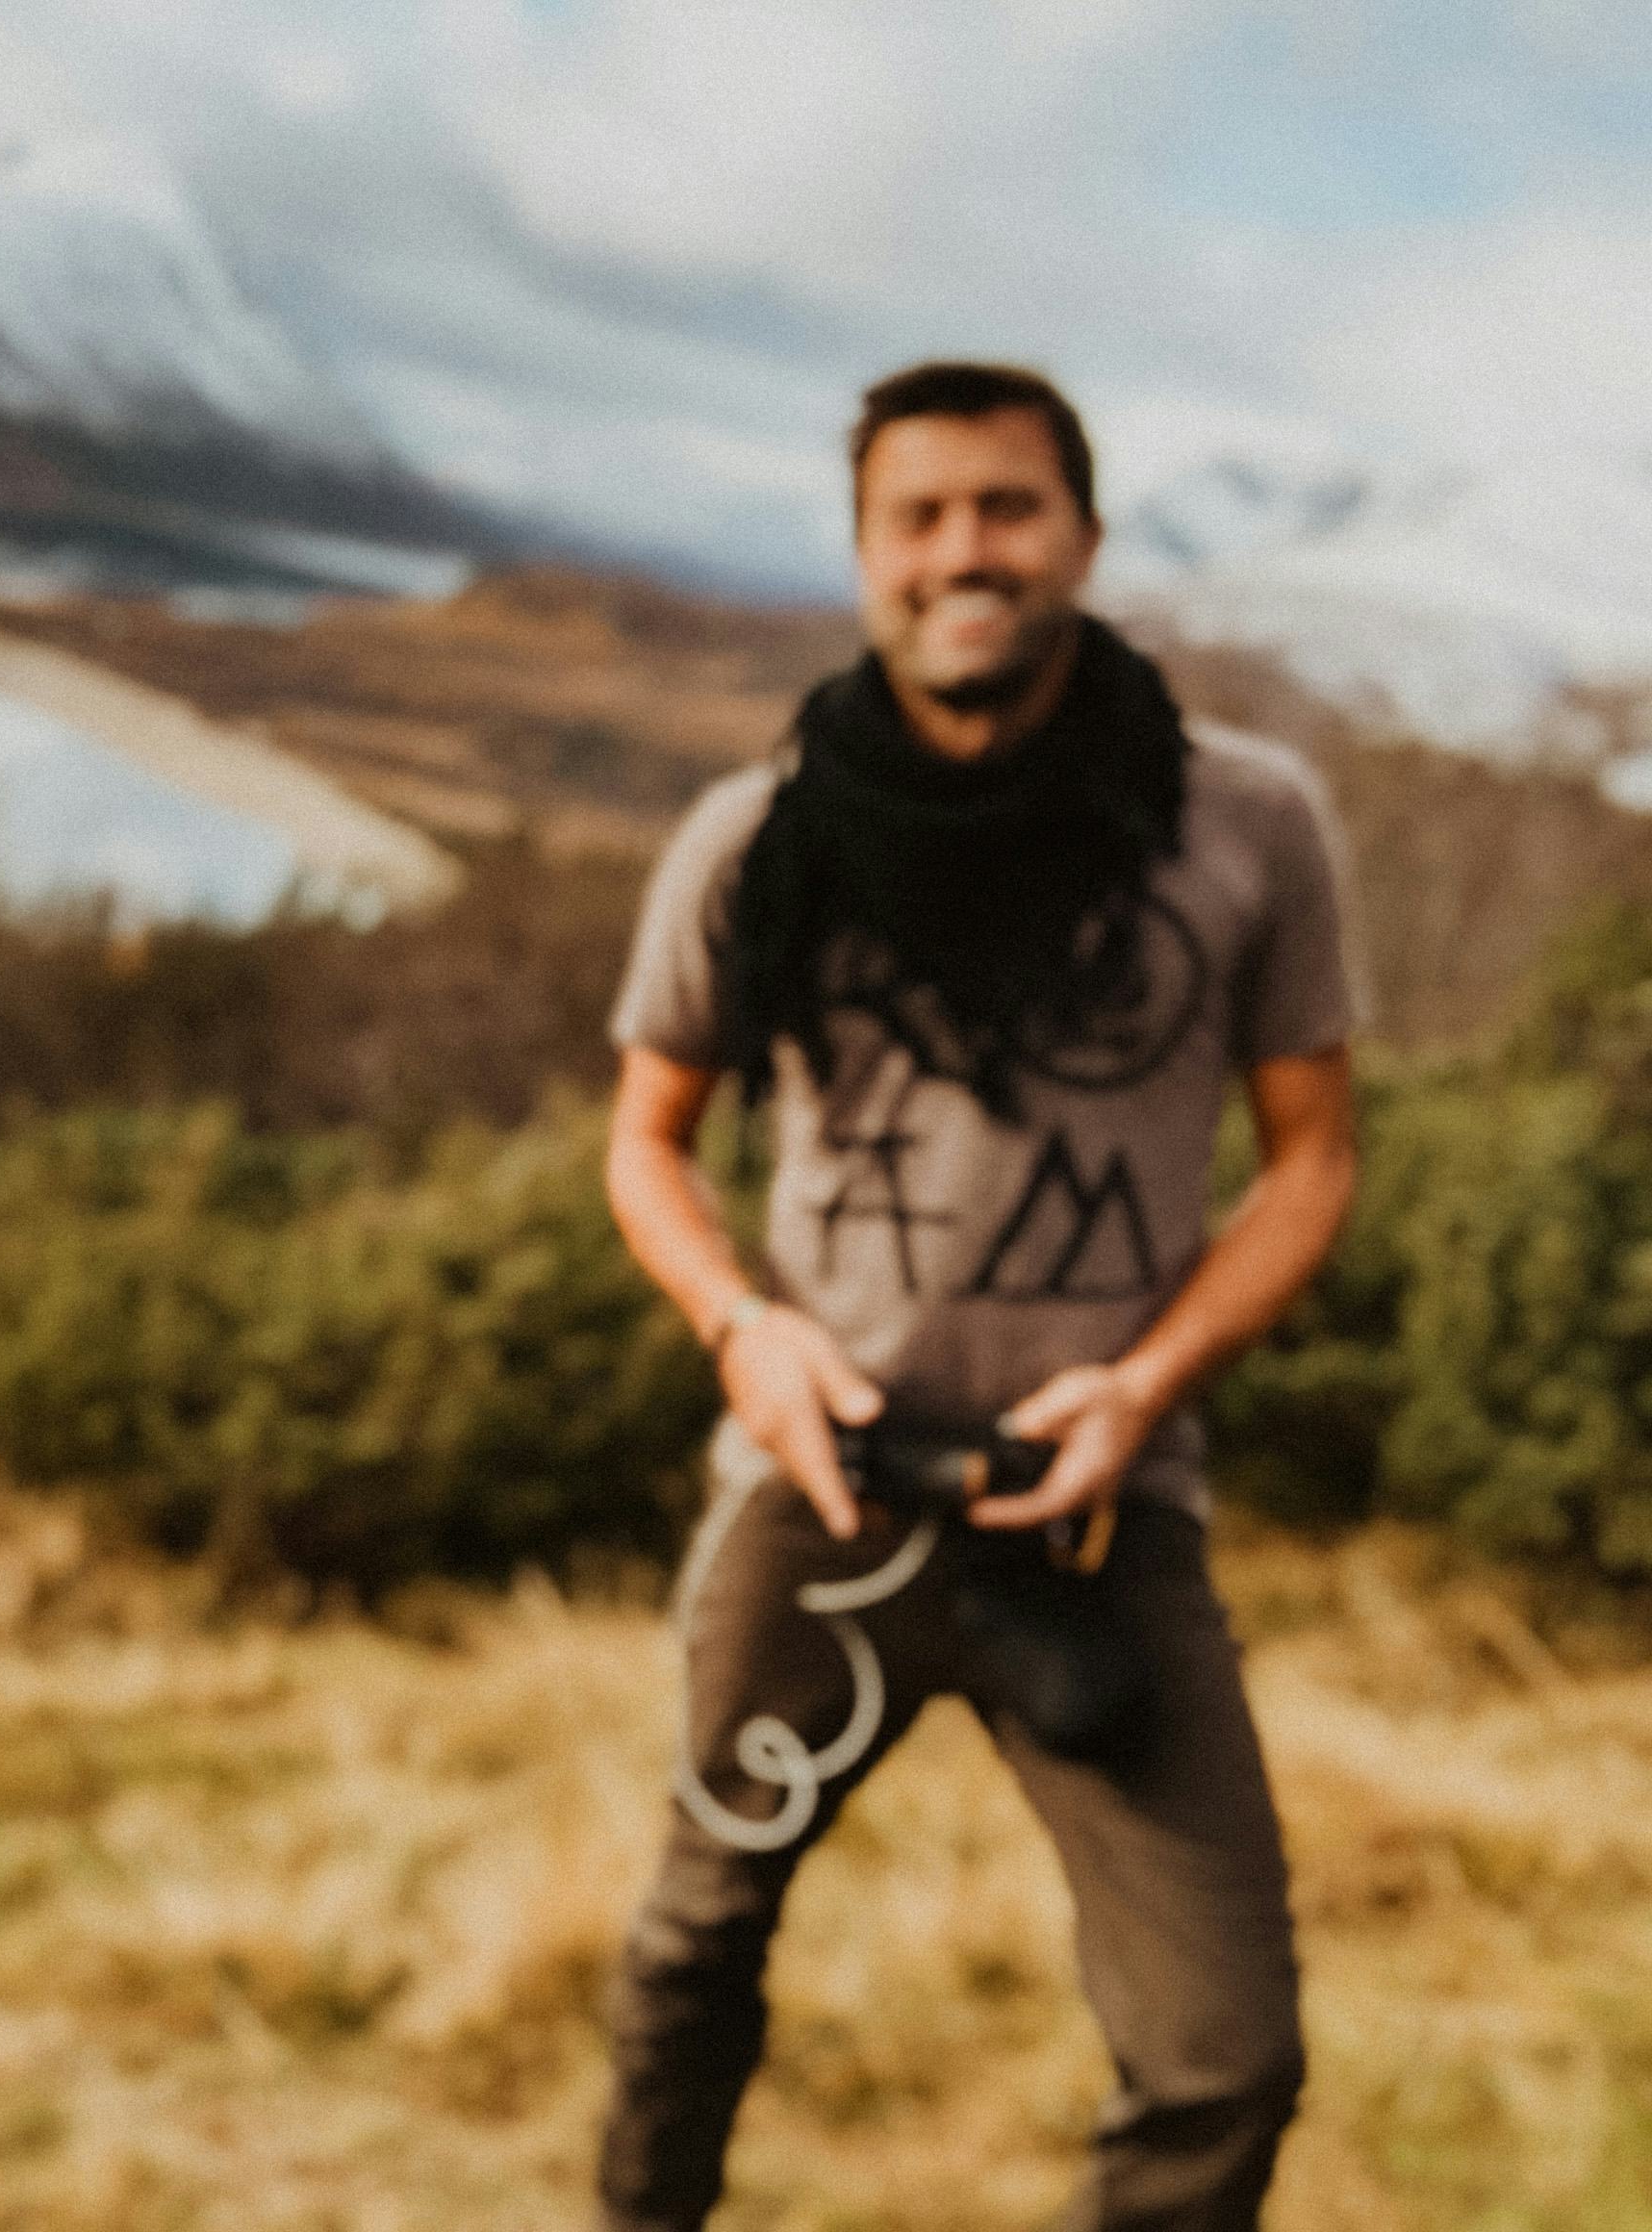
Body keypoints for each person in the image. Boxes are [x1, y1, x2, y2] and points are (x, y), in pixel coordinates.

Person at [598, 363, 1360, 2230]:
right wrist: (742, 1329)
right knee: (689, 1951)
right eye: (915, 516)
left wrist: (1146, 1377)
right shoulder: (749, 834)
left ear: (1081, 536)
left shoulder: (1246, 821)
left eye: (1003, 508)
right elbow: (644, 1141)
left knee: (1222, 2054)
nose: (963, 551)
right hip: (821, 1492)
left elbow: (1312, 1158)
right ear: (862, 554)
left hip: (1103, 1506)